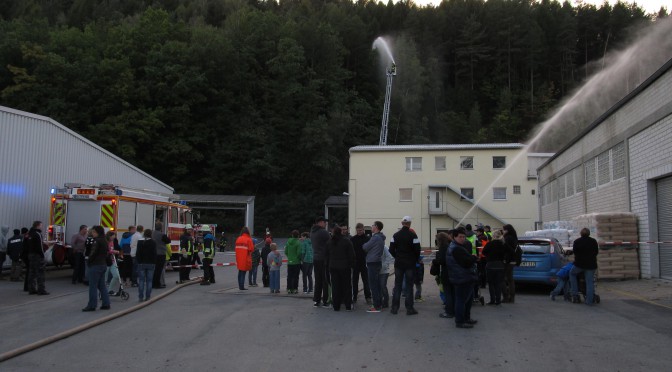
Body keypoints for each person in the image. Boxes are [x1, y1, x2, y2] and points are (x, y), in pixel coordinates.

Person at [446, 228, 478, 328]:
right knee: (461, 300)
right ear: (454, 237)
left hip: (462, 277)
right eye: (460, 237)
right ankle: (460, 321)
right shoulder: (456, 248)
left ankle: (466, 318)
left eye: (464, 237)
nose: (462, 239)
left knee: (467, 300)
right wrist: (473, 258)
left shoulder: (455, 246)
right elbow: (466, 262)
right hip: (462, 277)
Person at [389, 216, 421, 315]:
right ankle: (409, 309)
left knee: (397, 285)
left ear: (402, 223)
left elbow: (391, 250)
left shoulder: (395, 235)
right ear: (410, 223)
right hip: (410, 264)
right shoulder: (413, 236)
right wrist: (414, 259)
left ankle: (394, 308)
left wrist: (397, 256)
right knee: (409, 286)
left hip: (399, 263)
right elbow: (417, 250)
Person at [326, 225, 355, 311]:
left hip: (333, 266)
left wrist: (327, 265)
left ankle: (336, 306)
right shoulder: (346, 241)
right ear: (341, 232)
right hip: (345, 267)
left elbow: (326, 255)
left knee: (335, 286)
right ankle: (348, 306)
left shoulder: (329, 242)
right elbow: (352, 255)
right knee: (346, 286)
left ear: (333, 232)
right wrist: (352, 265)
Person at [83, 226, 110, 311]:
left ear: (97, 232)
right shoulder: (105, 240)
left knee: (93, 286)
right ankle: (106, 303)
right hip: (103, 265)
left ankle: (92, 305)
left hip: (95, 265)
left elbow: (93, 253)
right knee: (102, 286)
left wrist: (89, 261)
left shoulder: (97, 241)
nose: (93, 233)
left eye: (94, 232)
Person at [570, 228, 599, 305]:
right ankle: (589, 301)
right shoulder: (593, 241)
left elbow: (575, 252)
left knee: (572, 274)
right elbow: (596, 252)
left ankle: (575, 294)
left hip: (579, 265)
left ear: (581, 234)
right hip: (591, 265)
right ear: (589, 234)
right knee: (589, 282)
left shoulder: (577, 241)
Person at [362, 221, 385, 312]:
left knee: (373, 285)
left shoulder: (375, 238)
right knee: (377, 284)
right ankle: (379, 303)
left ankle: (376, 306)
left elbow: (365, 247)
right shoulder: (381, 237)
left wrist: (364, 244)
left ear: (376, 227)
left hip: (372, 262)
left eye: (372, 225)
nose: (371, 227)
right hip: (377, 261)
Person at [311, 217, 331, 308]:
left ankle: (317, 300)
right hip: (324, 259)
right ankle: (326, 301)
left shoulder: (312, 232)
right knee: (325, 280)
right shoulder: (323, 232)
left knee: (318, 280)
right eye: (324, 222)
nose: (325, 224)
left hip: (316, 258)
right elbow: (331, 243)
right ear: (320, 222)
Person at [482, 229, 506, 305]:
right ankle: (498, 300)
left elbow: (484, 252)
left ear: (493, 236)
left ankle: (492, 300)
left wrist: (489, 256)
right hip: (500, 265)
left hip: (491, 265)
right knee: (498, 283)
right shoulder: (503, 244)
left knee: (491, 284)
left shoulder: (490, 244)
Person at [351, 223, 372, 305]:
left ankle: (368, 297)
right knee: (354, 281)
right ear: (356, 230)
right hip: (355, 263)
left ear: (363, 230)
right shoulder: (352, 239)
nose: (359, 232)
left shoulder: (368, 239)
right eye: (358, 230)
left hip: (364, 263)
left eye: (360, 230)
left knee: (366, 281)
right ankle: (354, 296)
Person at [26, 221, 49, 295]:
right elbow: (40, 247)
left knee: (32, 272)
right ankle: (41, 290)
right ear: (38, 226)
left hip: (31, 254)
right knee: (40, 273)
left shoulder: (30, 234)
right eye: (41, 225)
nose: (41, 227)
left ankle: (31, 289)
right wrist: (43, 255)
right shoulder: (37, 234)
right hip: (37, 255)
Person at [436, 232, 455, 319]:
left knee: (447, 292)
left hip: (446, 272)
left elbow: (442, 260)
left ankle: (449, 311)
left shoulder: (443, 247)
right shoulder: (451, 245)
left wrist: (435, 261)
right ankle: (453, 309)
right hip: (453, 271)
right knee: (452, 292)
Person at [136, 229, 157, 302]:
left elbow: (138, 253)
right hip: (150, 263)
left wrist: (139, 261)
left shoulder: (140, 241)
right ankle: (148, 297)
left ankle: (140, 297)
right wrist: (154, 262)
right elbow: (154, 253)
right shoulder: (153, 242)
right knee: (149, 281)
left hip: (141, 263)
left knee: (141, 281)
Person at [502, 224, 520, 303]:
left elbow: (507, 249)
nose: (503, 231)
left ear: (507, 230)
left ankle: (505, 296)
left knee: (502, 279)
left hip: (507, 260)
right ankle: (512, 297)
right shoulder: (514, 238)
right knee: (510, 279)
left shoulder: (507, 238)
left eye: (504, 230)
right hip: (513, 260)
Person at [152, 222, 170, 289]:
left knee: (154, 269)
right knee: (159, 270)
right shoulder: (162, 235)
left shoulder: (152, 233)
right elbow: (168, 241)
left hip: (153, 253)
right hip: (161, 254)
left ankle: (153, 283)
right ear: (161, 228)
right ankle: (157, 284)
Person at [104, 231, 122, 296]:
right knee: (105, 278)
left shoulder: (112, 242)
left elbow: (111, 249)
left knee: (116, 276)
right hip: (106, 261)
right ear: (109, 236)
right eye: (113, 237)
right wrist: (114, 251)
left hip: (112, 260)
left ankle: (109, 290)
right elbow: (107, 250)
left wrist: (114, 251)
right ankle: (103, 292)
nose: (113, 238)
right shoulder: (105, 242)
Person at [379, 244, 394, 309]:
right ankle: (379, 300)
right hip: (376, 269)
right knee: (378, 286)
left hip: (384, 270)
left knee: (382, 285)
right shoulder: (373, 245)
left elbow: (389, 256)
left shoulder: (384, 247)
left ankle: (385, 301)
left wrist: (385, 265)